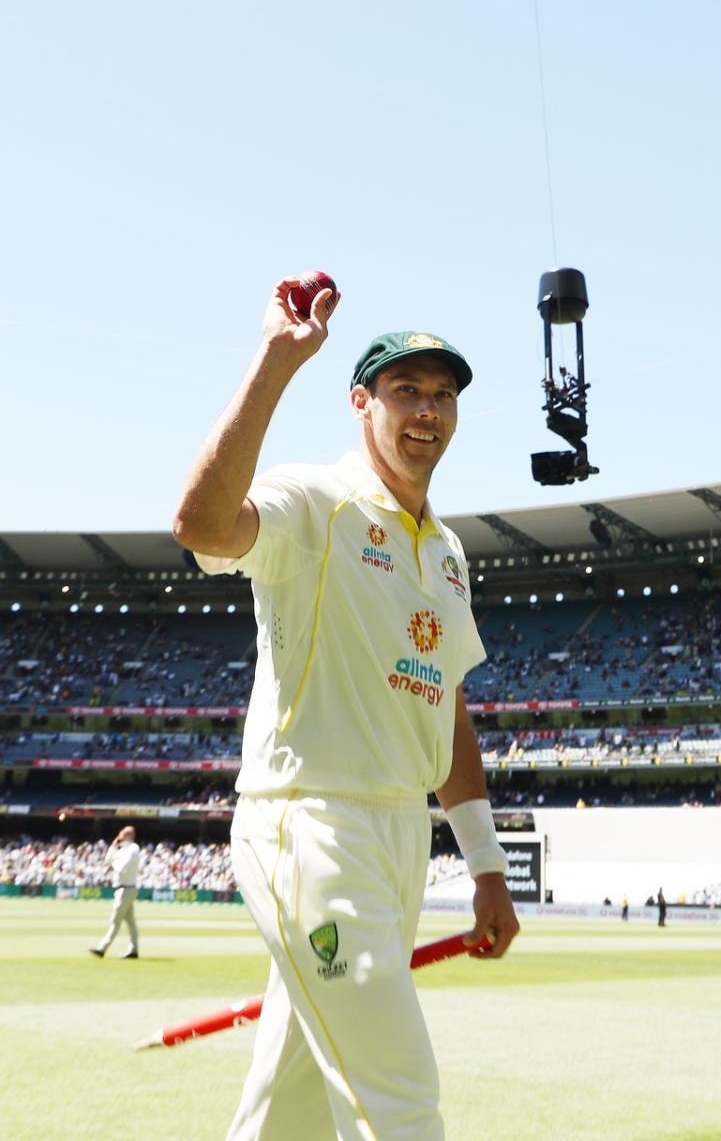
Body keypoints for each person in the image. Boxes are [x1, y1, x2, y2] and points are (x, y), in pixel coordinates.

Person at [173, 276, 519, 1141]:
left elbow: (447, 709)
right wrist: (275, 362)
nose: (428, 410)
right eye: (406, 390)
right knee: (400, 1103)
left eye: (443, 394)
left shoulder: (445, 551)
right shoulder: (315, 500)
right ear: (361, 402)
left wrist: (485, 863)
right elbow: (202, 523)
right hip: (310, 827)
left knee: (284, 1112)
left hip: (401, 837)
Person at [89, 824, 140, 959]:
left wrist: (114, 862)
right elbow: (107, 860)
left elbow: (121, 868)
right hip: (123, 889)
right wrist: (113, 846)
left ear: (128, 835)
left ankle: (102, 948)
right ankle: (133, 950)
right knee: (131, 922)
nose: (119, 836)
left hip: (126, 889)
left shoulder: (133, 849)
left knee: (115, 920)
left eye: (122, 834)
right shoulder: (123, 849)